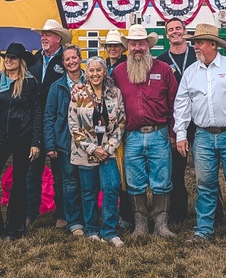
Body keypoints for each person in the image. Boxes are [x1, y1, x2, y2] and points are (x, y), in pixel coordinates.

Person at [173, 23, 226, 248]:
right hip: (202, 135)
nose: (195, 47)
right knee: (204, 185)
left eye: (199, 42)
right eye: (194, 43)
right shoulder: (191, 72)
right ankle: (203, 230)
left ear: (213, 44)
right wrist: (181, 133)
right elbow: (182, 105)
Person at [111, 25, 178, 238]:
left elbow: (175, 102)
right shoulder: (119, 72)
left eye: (141, 43)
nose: (137, 48)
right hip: (131, 135)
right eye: (133, 44)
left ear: (148, 45)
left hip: (159, 133)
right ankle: (140, 225)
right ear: (127, 47)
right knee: (134, 180)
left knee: (162, 179)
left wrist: (174, 133)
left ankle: (161, 225)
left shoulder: (164, 69)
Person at [0, 43, 42, 242]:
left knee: (19, 182)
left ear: (21, 61)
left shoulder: (30, 83)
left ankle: (14, 229)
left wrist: (35, 141)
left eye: (13, 58)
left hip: (23, 137)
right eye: (7, 57)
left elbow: (37, 112)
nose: (8, 60)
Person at [69, 56, 126, 244]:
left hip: (108, 152)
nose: (95, 74)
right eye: (91, 70)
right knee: (89, 192)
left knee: (111, 187)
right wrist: (94, 149)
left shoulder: (114, 93)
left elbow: (121, 122)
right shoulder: (78, 94)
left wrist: (108, 149)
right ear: (87, 73)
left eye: (98, 70)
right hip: (86, 152)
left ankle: (110, 231)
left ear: (105, 72)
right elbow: (73, 126)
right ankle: (92, 230)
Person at [27, 18, 73, 226]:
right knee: (32, 171)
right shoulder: (35, 60)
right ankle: (30, 212)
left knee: (61, 172)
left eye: (47, 34)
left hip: (59, 124)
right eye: (42, 35)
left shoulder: (66, 60)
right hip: (35, 124)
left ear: (58, 38)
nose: (43, 38)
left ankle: (62, 214)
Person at [157, 18, 199, 224]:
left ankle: (213, 213)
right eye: (170, 30)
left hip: (200, 119)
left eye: (178, 28)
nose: (174, 32)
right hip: (176, 121)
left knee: (204, 169)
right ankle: (178, 213)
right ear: (166, 35)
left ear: (184, 31)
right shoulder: (161, 60)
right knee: (176, 170)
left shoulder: (197, 54)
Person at [43, 43, 86, 235]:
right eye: (67, 59)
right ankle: (70, 217)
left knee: (87, 181)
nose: (71, 62)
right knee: (67, 181)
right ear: (63, 62)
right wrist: (50, 143)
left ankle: (87, 216)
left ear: (80, 58)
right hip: (64, 142)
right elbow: (49, 116)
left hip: (87, 141)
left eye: (74, 58)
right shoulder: (57, 86)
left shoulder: (91, 80)